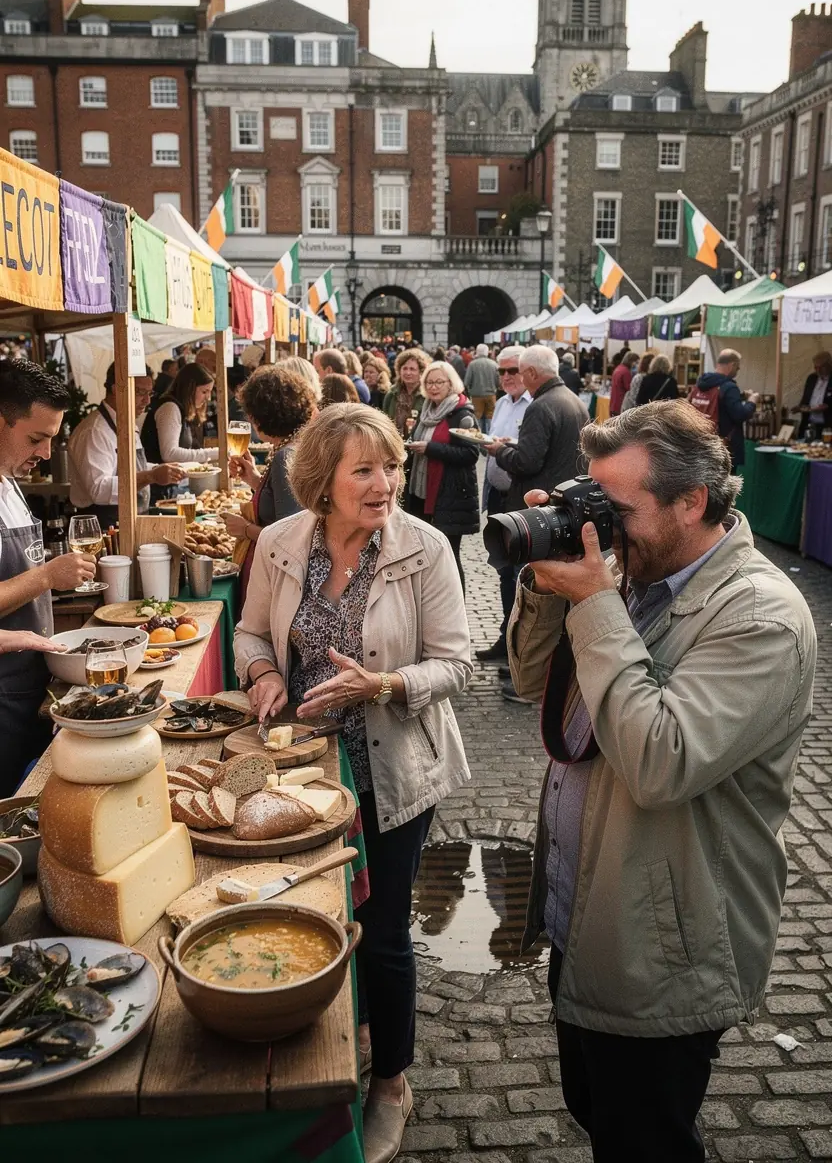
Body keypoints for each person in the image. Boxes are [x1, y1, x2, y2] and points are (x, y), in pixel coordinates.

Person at [506, 402, 816, 1163]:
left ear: (692, 500)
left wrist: (596, 603)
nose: (603, 528)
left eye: (617, 510)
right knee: (599, 1111)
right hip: (592, 915)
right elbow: (528, 682)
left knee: (645, 1138)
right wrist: (553, 588)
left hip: (666, 946)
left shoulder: (759, 616)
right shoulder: (642, 573)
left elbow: (660, 762)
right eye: (593, 500)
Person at [234, 404, 472, 1163]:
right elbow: (246, 630)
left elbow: (457, 663)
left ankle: (392, 1082)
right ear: (322, 482)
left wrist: (386, 684)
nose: (385, 484)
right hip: (302, 767)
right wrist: (266, 670)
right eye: (364, 470)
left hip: (392, 768)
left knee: (386, 927)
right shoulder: (279, 541)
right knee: (315, 910)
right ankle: (346, 1031)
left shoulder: (424, 548)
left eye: (392, 465)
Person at [0, 360, 102, 793]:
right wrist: (47, 576)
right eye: (35, 438)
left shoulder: (10, 481)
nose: (45, 453)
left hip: (30, 685)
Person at [221, 365, 317, 602]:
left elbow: (291, 536)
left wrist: (244, 529)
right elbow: (284, 502)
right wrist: (253, 478)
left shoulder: (286, 455)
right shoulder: (292, 445)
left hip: (278, 576)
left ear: (262, 415)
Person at [68, 364, 185, 525]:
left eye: (149, 393)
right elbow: (99, 489)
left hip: (133, 519)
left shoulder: (127, 423)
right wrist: (151, 476)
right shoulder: (94, 431)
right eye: (140, 392)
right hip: (103, 526)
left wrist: (159, 469)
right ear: (116, 390)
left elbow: (132, 467)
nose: (147, 400)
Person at [475, 347, 532, 662]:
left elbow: (530, 456)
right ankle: (505, 636)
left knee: (518, 572)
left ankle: (519, 643)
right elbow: (492, 443)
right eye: (503, 372)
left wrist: (502, 449)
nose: (508, 377)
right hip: (498, 496)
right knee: (502, 570)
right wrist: (488, 445)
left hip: (519, 500)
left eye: (514, 371)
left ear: (528, 371)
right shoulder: (500, 404)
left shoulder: (534, 405)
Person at [405, 362, 479, 595]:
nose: (434, 387)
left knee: (449, 555)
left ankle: (456, 610)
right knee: (423, 554)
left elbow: (470, 453)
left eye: (439, 382)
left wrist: (430, 448)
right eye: (429, 382)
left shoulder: (462, 414)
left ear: (451, 383)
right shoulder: (426, 410)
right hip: (421, 495)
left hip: (449, 496)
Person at [490, 345, 589, 512]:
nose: (521, 379)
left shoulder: (540, 406)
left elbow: (526, 463)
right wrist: (513, 446)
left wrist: (499, 451)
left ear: (532, 373)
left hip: (541, 501)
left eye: (520, 373)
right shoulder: (574, 400)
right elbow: (554, 448)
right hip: (566, 496)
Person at [141, 363, 218, 500]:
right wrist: (215, 453)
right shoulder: (170, 408)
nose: (208, 398)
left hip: (171, 487)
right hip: (159, 491)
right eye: (204, 391)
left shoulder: (180, 409)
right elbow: (170, 454)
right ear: (189, 389)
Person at [690, 349, 758, 468]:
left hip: (700, 443)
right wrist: (752, 401)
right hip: (723, 447)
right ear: (732, 365)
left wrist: (741, 396)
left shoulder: (701, 384)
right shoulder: (729, 387)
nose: (738, 370)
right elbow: (740, 415)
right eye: (737, 368)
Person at [383, 348, 431, 436]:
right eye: (404, 368)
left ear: (421, 372)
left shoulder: (427, 395)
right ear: (399, 370)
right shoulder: (391, 394)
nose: (408, 373)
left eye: (412, 369)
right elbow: (384, 421)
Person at [464, 344, 500, 434]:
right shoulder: (494, 364)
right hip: (491, 395)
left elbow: (467, 381)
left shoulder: (472, 364)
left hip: (476, 395)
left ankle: (478, 438)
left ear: (477, 352)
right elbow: (498, 381)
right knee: (490, 418)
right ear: (487, 352)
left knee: (477, 418)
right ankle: (490, 437)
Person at [797, 350, 832, 438]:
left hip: (828, 427)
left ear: (829, 365)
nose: (818, 370)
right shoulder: (811, 378)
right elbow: (806, 398)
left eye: (821, 367)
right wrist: (800, 407)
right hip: (809, 424)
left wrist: (828, 407)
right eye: (816, 367)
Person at [609, 350, 639, 417]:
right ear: (631, 361)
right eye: (636, 362)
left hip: (613, 404)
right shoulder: (626, 372)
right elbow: (629, 388)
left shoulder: (618, 368)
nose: (637, 365)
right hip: (620, 404)